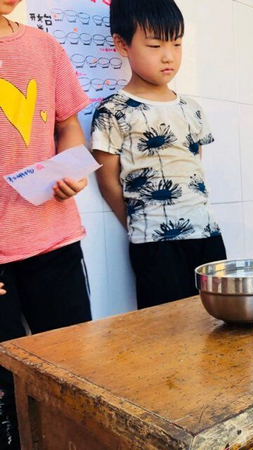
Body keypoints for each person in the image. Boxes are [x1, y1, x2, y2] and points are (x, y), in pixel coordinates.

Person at [0, 1, 93, 447]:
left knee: (73, 375)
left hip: (54, 240)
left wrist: (71, 170)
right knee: (5, 393)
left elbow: (68, 125)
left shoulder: (44, 47)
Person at [92, 0, 226, 310]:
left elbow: (193, 165)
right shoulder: (113, 110)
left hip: (206, 231)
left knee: (216, 318)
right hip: (154, 241)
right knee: (166, 326)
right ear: (121, 44)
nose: (169, 56)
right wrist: (139, 222)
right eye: (155, 45)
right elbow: (107, 182)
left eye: (176, 44)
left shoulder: (191, 108)